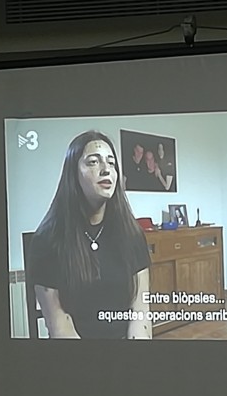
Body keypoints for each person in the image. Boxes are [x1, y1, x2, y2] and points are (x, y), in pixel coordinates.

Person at [27, 130, 152, 339]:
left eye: (111, 163)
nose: (106, 170)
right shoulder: (47, 240)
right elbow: (59, 326)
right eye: (93, 162)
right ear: (73, 174)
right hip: (75, 354)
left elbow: (141, 311)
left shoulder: (132, 235)